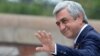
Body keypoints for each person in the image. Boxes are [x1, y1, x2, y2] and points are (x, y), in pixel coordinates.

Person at [35, 1, 100, 56]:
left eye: (64, 21)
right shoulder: (82, 37)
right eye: (58, 24)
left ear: (79, 18)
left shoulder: (91, 37)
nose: (61, 28)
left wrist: (55, 48)